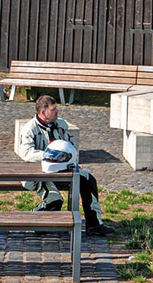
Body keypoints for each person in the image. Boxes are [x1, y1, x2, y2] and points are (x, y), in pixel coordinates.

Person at [18, 94, 115, 237]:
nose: (57, 112)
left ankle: (94, 225)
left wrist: (68, 159)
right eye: (53, 110)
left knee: (88, 180)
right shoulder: (30, 128)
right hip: (40, 174)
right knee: (55, 200)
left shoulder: (61, 125)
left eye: (56, 109)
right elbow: (26, 153)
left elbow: (70, 147)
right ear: (43, 112)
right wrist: (52, 155)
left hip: (62, 170)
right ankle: (36, 220)